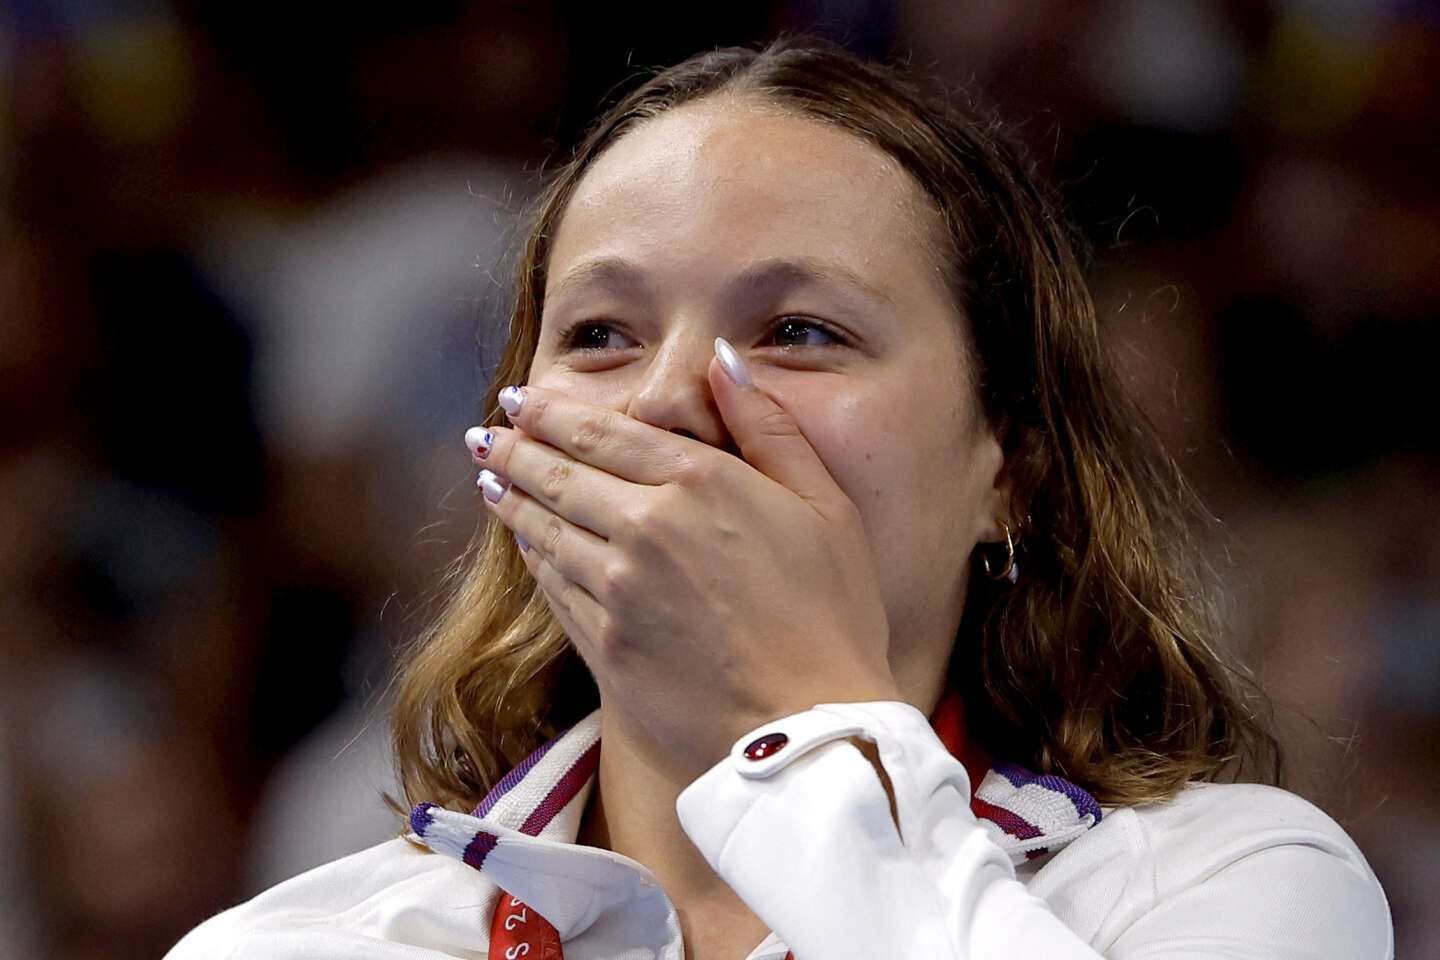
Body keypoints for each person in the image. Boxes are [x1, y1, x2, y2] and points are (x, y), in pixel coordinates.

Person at [165, 37, 1393, 959]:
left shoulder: (1235, 887)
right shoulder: (293, 947)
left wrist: (804, 716)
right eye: (598, 333)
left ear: (1009, 466)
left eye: (799, 330)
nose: (667, 402)